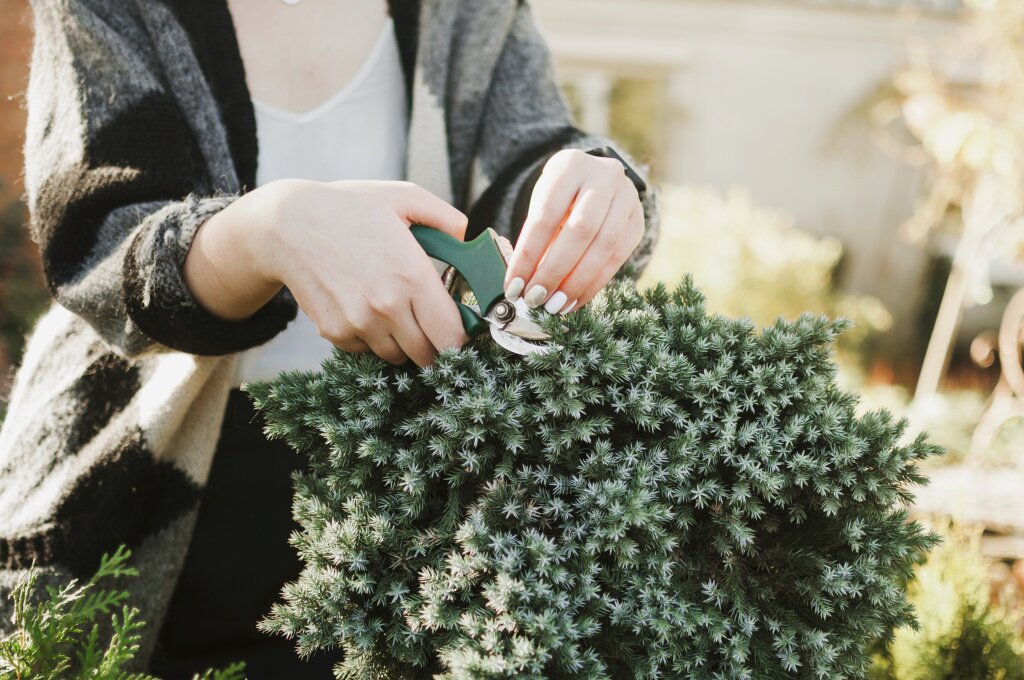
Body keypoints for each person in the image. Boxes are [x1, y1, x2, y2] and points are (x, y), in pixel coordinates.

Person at [0, 0, 657, 677]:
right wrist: (265, 231)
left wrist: (590, 194)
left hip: (413, 509)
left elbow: (524, 163)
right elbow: (100, 250)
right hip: (152, 496)